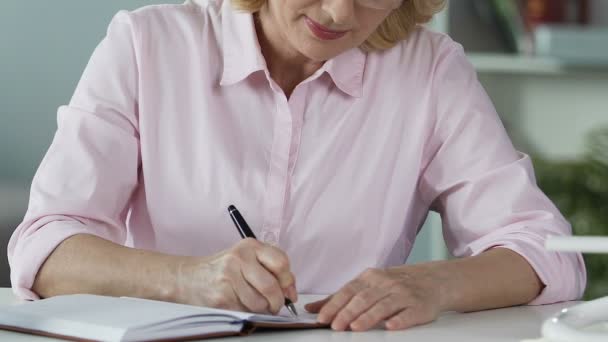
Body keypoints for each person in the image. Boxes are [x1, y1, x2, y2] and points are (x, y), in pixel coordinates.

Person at [8, 0, 585, 332]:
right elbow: (45, 246)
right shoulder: (147, 44)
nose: (338, 11)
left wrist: (435, 283)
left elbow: (544, 253)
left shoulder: (430, 71)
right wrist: (191, 279)